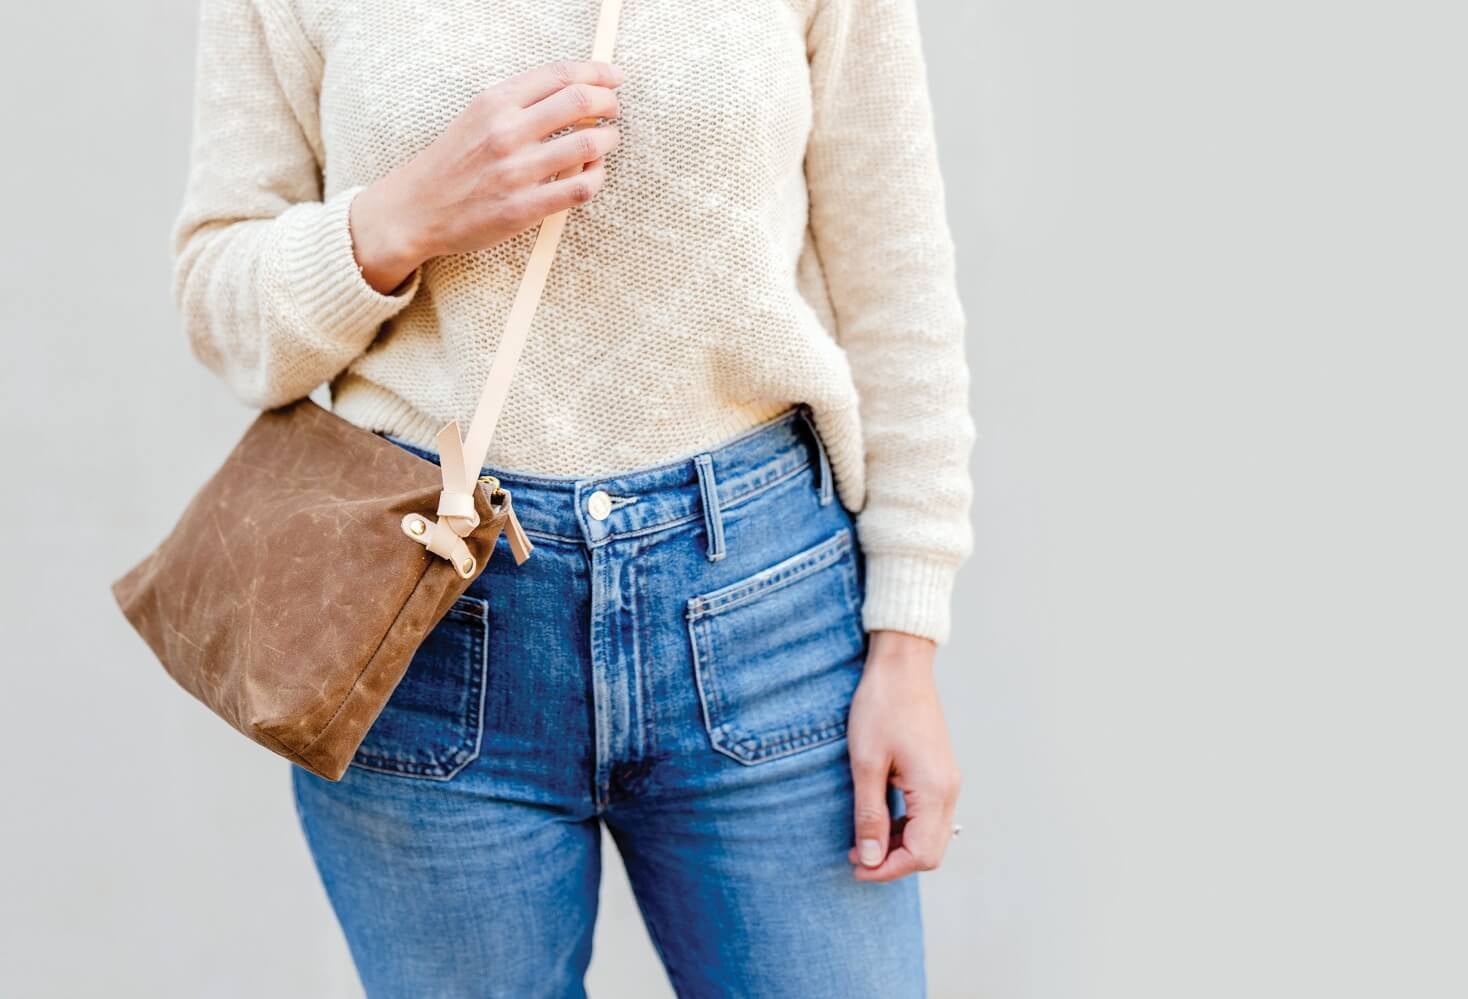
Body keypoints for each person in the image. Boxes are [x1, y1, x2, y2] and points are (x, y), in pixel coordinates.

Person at [170, 0, 975, 994]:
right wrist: (396, 219)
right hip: (425, 617)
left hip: (763, 611)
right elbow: (218, 300)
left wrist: (908, 639)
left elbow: (897, 282)